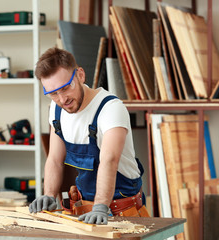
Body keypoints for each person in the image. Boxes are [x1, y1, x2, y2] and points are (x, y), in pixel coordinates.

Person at [29, 47, 149, 224]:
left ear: (80, 75)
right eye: (53, 93)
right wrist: (49, 194)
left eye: (65, 88)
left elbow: (109, 160)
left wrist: (101, 206)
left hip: (122, 209)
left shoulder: (110, 109)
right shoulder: (57, 110)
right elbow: (54, 159)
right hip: (84, 210)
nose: (62, 100)